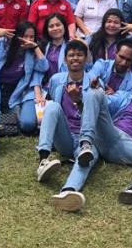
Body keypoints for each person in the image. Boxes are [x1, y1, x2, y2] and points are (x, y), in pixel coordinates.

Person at [56, 71, 132, 210]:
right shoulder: (124, 96)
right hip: (110, 134)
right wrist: (93, 92)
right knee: (95, 92)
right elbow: (100, 102)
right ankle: (68, 191)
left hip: (129, 146)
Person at [35, 40, 97, 204]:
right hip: (65, 136)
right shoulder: (56, 80)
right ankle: (43, 159)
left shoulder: (94, 83)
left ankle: (69, 190)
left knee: (85, 160)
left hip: (87, 138)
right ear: (65, 59)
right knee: (52, 106)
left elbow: (96, 115)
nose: (75, 58)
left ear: (86, 59)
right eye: (71, 55)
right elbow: (51, 107)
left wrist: (79, 100)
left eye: (79, 55)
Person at [0, 21, 47, 134]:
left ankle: (4, 119)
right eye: (25, 36)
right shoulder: (3, 44)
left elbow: (44, 67)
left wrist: (35, 47)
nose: (28, 40)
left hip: (14, 93)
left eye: (31, 37)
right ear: (17, 35)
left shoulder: (31, 52)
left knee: (23, 123)